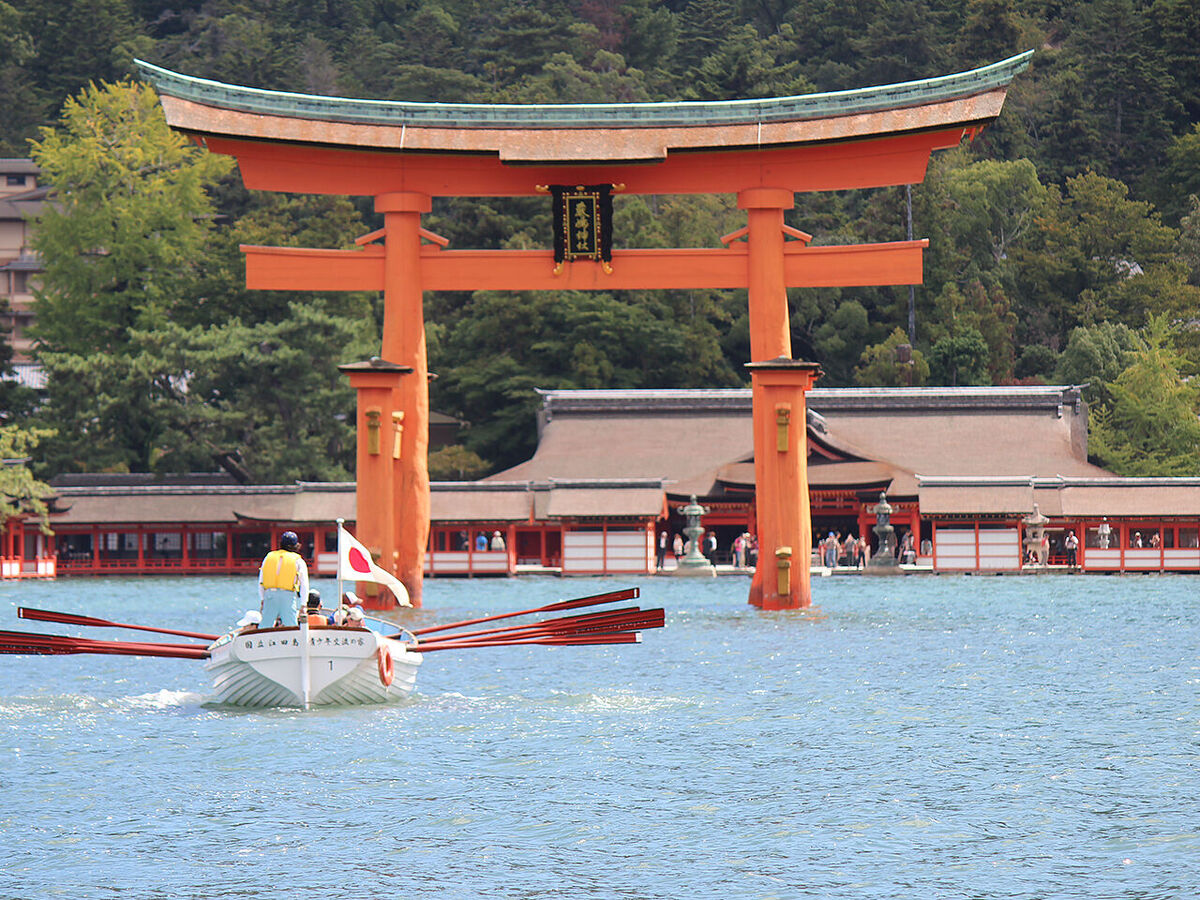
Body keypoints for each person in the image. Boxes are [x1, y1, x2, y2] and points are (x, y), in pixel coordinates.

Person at [258, 530, 309, 628]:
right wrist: (303, 604)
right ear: (296, 546)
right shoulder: (298, 560)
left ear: (281, 543)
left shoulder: (268, 557)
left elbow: (261, 580)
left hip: (270, 595)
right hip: (288, 596)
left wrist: (262, 599)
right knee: (291, 627)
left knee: (264, 627)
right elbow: (304, 584)